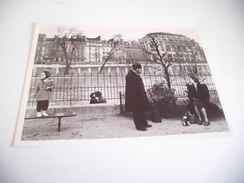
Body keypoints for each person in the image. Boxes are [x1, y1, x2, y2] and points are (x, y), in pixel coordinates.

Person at [125, 63, 152, 131]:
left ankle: (144, 123)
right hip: (135, 98)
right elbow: (132, 89)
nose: (141, 70)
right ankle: (139, 126)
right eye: (140, 69)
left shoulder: (135, 75)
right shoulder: (131, 76)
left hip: (139, 97)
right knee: (137, 112)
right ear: (137, 69)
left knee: (141, 110)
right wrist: (135, 99)